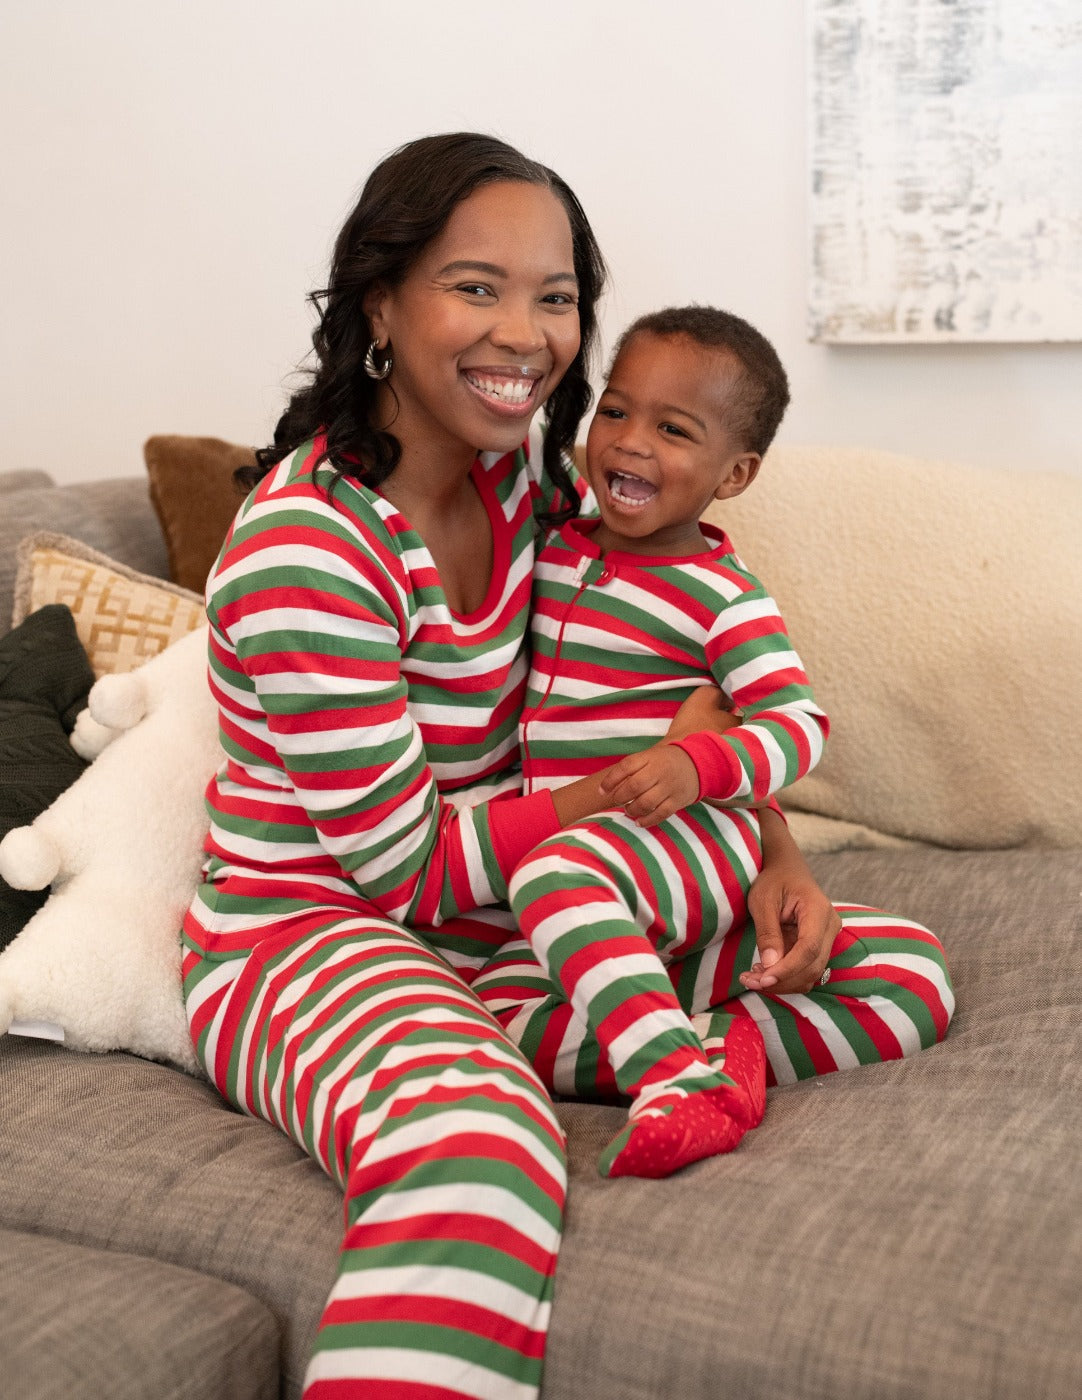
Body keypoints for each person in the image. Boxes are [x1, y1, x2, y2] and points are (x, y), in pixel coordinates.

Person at [181, 132, 953, 1400]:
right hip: (312, 934)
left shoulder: (524, 485)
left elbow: (668, 681)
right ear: (379, 300)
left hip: (511, 921)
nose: (525, 334)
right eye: (475, 287)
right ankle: (617, 1050)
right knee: (475, 1150)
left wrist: (772, 845)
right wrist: (621, 792)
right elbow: (402, 861)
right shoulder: (308, 549)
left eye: (554, 297)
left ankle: (646, 1040)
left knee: (902, 969)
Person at [478, 306, 830, 1179]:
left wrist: (695, 762)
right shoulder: (551, 545)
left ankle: (675, 1082)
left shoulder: (724, 597)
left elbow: (798, 725)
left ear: (735, 474)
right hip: (596, 877)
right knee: (493, 1007)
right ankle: (704, 1043)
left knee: (547, 875)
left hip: (692, 845)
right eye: (616, 411)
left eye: (674, 430)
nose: (631, 443)